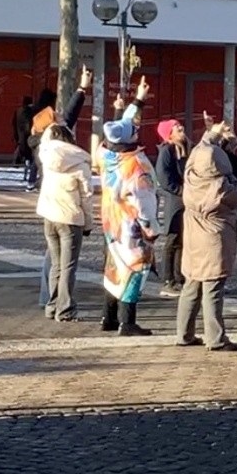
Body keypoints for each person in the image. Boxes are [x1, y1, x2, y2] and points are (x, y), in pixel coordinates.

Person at [176, 120, 237, 351]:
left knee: (191, 285)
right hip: (214, 239)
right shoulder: (222, 187)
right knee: (213, 288)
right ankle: (215, 338)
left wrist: (213, 133)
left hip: (193, 236)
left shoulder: (191, 175)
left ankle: (184, 334)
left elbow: (201, 148)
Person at [98, 77, 158, 336]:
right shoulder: (135, 166)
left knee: (114, 267)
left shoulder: (105, 156)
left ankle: (108, 317)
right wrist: (151, 228)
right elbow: (144, 202)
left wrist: (137, 101)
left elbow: (121, 126)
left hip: (112, 222)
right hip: (132, 225)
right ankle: (127, 321)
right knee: (135, 268)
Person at [35, 123, 93, 321]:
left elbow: (47, 133)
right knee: (68, 266)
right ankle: (65, 309)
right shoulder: (80, 163)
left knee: (56, 265)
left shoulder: (46, 156)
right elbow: (86, 197)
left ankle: (52, 306)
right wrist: (88, 224)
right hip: (70, 219)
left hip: (48, 217)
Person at [154, 119, 188, 299]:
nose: (180, 127)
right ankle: (168, 280)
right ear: (169, 134)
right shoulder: (167, 151)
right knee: (172, 240)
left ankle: (179, 277)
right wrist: (180, 190)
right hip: (175, 202)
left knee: (182, 241)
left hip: (185, 202)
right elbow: (164, 177)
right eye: (176, 127)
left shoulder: (184, 147)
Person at [12, 96, 34, 174]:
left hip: (19, 131)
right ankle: (21, 162)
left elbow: (14, 122)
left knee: (21, 147)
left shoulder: (18, 110)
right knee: (26, 149)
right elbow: (28, 122)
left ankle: (17, 162)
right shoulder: (29, 111)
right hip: (26, 133)